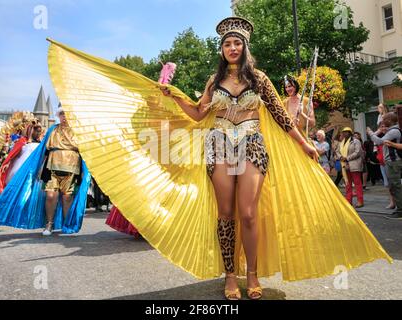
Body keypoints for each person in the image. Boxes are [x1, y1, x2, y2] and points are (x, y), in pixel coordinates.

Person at [46, 17, 391, 300]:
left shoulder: (260, 79)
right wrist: (173, 96)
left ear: (244, 46)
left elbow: (283, 119)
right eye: (227, 43)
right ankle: (230, 275)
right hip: (220, 146)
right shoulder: (214, 80)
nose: (232, 47)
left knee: (249, 213)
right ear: (222, 49)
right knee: (225, 214)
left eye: (237, 42)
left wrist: (305, 145)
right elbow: (198, 114)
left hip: (253, 146)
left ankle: (252, 274)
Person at [0, 108, 91, 235]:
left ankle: (66, 224)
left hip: (72, 169)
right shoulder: (53, 130)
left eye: (67, 114)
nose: (64, 117)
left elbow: (85, 152)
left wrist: (85, 171)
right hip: (52, 168)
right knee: (50, 196)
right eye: (62, 114)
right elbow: (42, 150)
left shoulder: (79, 132)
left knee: (67, 197)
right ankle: (49, 224)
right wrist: (37, 168)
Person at [367, 112, 402, 219]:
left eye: (384, 119)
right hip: (391, 162)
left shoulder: (394, 131)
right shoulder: (392, 131)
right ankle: (399, 209)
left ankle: (400, 211)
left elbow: (379, 141)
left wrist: (370, 133)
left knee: (395, 186)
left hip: (393, 162)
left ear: (390, 120)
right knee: (393, 186)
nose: (383, 121)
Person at [0, 116, 43, 193]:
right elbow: (13, 155)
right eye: (36, 131)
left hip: (36, 171)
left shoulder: (41, 144)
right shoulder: (22, 141)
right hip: (21, 171)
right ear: (31, 130)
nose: (38, 133)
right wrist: (7, 163)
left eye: (40, 131)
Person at [336, 127, 364, 208]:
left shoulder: (356, 141)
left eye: (346, 132)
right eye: (343, 132)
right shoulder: (341, 143)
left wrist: (347, 158)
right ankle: (348, 200)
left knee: (357, 183)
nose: (344, 133)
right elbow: (337, 151)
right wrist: (340, 157)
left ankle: (360, 201)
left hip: (354, 165)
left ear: (350, 133)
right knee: (347, 183)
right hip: (345, 165)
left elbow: (358, 152)